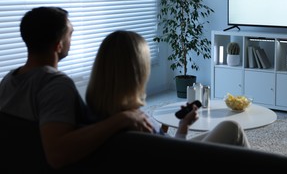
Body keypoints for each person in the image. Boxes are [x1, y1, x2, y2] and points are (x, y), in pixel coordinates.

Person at [0, 7, 154, 170]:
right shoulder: (55, 85)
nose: (71, 39)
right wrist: (122, 119)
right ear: (58, 45)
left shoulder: (8, 80)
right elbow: (57, 155)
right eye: (70, 34)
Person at [86, 30, 251, 147]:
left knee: (228, 131)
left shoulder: (98, 115)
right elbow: (170, 158)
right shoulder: (133, 123)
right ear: (138, 73)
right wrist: (181, 131)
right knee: (232, 129)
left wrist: (182, 126)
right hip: (178, 160)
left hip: (172, 150)